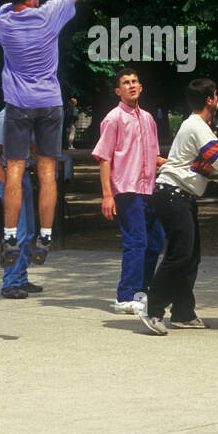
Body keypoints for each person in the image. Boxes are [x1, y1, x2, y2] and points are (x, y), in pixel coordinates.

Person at [0, 0, 94, 268]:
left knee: (16, 171)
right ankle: (45, 238)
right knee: (48, 172)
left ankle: (9, 238)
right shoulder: (50, 16)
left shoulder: (3, 20)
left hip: (19, 106)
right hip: (49, 103)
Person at [137, 79, 218, 335]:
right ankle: (152, 309)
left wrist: (203, 163)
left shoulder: (196, 125)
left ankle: (183, 312)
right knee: (180, 255)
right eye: (217, 96)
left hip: (179, 196)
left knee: (190, 256)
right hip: (173, 194)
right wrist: (216, 159)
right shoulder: (197, 126)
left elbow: (208, 161)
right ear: (211, 100)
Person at [93, 68, 166, 315]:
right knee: (136, 241)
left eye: (135, 81)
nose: (131, 85)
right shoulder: (113, 118)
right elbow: (104, 158)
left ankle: (140, 292)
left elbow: (154, 156)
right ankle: (125, 296)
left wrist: (179, 163)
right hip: (126, 188)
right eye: (126, 83)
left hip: (148, 189)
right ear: (118, 90)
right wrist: (107, 195)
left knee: (155, 241)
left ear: (141, 87)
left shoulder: (147, 118)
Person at [0, 108, 41, 299]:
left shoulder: (30, 116)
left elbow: (32, 147)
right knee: (18, 231)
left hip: (23, 174)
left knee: (29, 231)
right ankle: (10, 283)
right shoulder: (5, 117)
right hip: (8, 175)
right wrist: (6, 182)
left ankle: (21, 278)